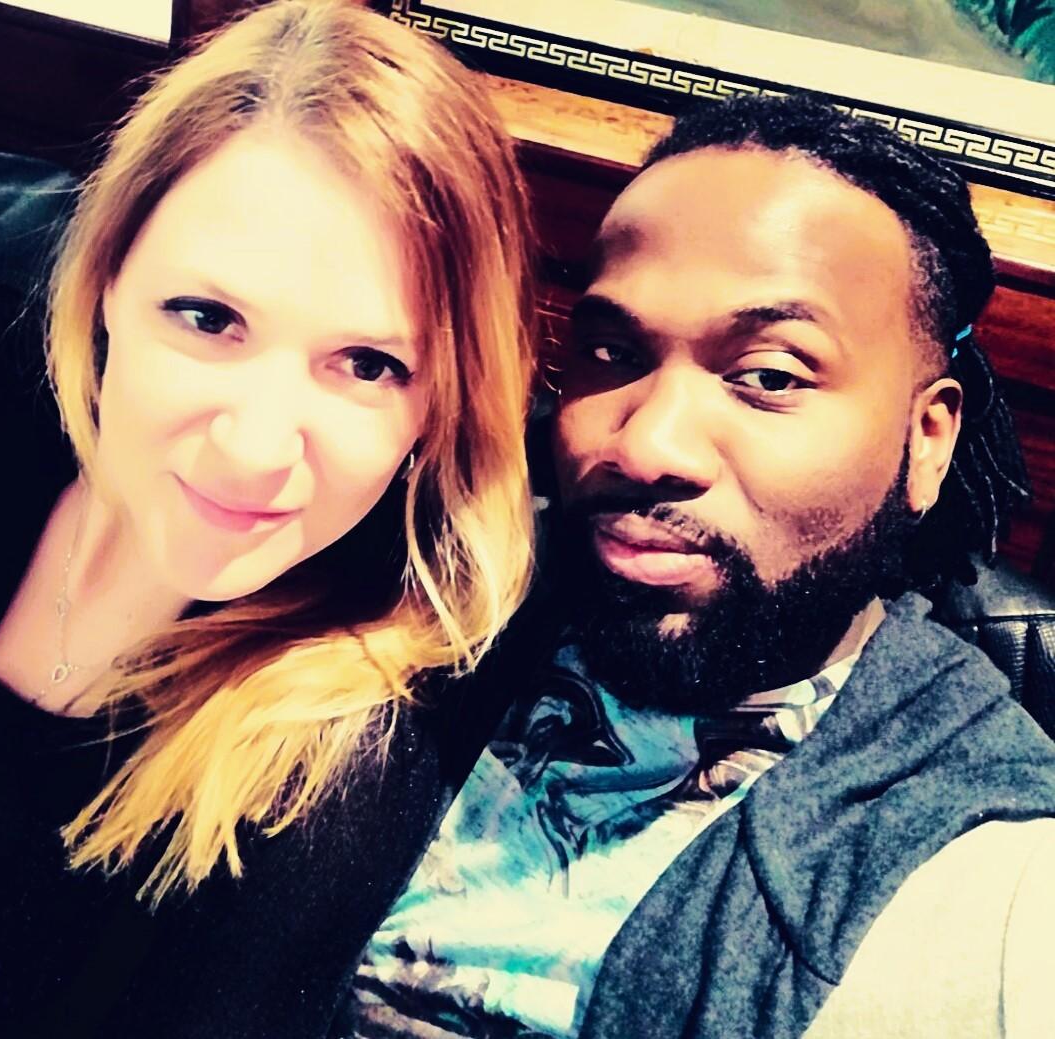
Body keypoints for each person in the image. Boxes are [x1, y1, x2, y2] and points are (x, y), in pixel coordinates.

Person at [334, 94, 1055, 1038]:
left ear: (926, 440)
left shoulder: (983, 873)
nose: (646, 445)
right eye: (613, 352)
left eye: (771, 376)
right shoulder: (425, 604)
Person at [0, 2, 536, 1036]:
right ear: (106, 279)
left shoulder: (333, 782)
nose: (256, 448)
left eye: (368, 365)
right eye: (208, 317)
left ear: (439, 407)